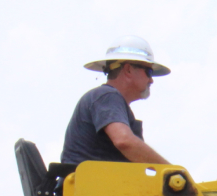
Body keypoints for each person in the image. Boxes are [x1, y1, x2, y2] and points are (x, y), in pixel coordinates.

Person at [62, 37, 170, 166]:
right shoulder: (107, 96)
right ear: (128, 70)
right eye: (149, 72)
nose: (151, 80)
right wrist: (174, 173)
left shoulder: (109, 99)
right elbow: (124, 141)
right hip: (91, 184)